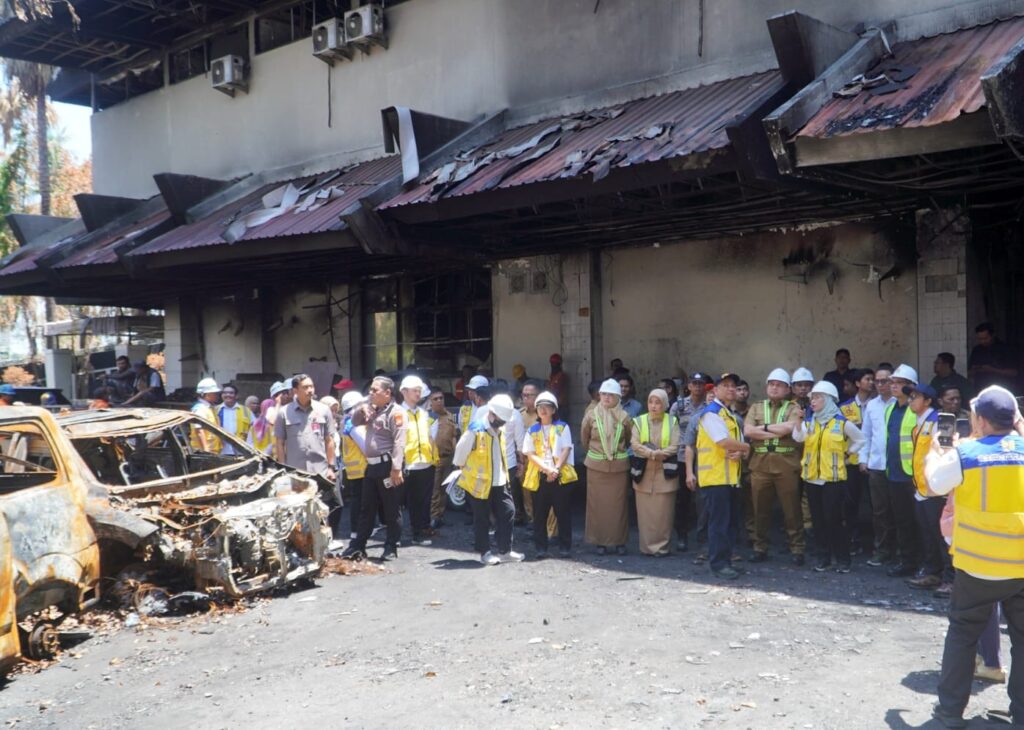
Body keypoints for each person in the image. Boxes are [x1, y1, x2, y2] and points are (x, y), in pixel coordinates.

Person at [925, 386, 1024, 729]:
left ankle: (950, 713)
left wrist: (937, 449)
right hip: (1022, 566)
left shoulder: (965, 454)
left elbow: (933, 484)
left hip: (977, 566)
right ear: (1015, 418)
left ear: (979, 420)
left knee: (963, 635)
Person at [792, 381, 865, 573]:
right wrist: (798, 421)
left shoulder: (841, 423)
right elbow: (798, 437)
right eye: (812, 398)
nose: (812, 401)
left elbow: (861, 439)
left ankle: (842, 559)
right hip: (812, 478)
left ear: (828, 400)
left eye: (816, 397)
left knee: (834, 519)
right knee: (817, 520)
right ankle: (823, 558)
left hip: (832, 480)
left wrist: (848, 454)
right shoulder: (810, 422)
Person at [452, 394, 523, 565]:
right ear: (492, 413)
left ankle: (505, 550)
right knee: (482, 518)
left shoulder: (500, 428)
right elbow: (459, 455)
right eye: (501, 419)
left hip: (499, 479)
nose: (503, 423)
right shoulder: (475, 430)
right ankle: (485, 552)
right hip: (479, 483)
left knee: (508, 511)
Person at [743, 368, 805, 565]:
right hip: (760, 465)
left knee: (791, 509)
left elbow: (791, 427)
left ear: (788, 389)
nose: (774, 387)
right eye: (771, 384)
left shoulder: (794, 407)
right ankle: (759, 547)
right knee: (759, 509)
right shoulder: (756, 407)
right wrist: (776, 432)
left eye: (779, 385)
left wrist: (764, 429)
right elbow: (748, 431)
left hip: (786, 464)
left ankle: (797, 548)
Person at [343, 376, 406, 561]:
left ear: (387, 393)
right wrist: (360, 408)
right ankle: (358, 546)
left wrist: (396, 468)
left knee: (391, 508)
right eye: (370, 390)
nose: (370, 393)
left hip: (387, 465)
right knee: (366, 507)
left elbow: (399, 442)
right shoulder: (372, 410)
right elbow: (354, 422)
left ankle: (391, 546)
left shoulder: (396, 413)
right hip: (371, 466)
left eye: (374, 390)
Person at [695, 373, 750, 579]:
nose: (730, 389)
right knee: (719, 523)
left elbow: (733, 444)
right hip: (715, 477)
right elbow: (722, 441)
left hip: (729, 478)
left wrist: (740, 451)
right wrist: (746, 447)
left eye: (733, 386)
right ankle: (718, 564)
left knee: (729, 523)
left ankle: (726, 561)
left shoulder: (729, 415)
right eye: (725, 386)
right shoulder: (712, 413)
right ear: (715, 391)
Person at [903, 384, 950, 591]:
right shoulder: (919, 423)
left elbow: (947, 452)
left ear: (928, 401)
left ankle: (950, 578)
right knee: (928, 533)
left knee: (941, 536)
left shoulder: (940, 421)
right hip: (922, 489)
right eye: (910, 397)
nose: (911, 400)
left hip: (936, 489)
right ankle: (933, 572)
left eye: (915, 397)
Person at [522, 391, 577, 558]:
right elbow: (530, 454)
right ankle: (541, 548)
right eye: (540, 407)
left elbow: (567, 448)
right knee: (540, 514)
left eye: (547, 407)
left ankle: (565, 547)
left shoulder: (562, 427)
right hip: (540, 476)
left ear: (554, 410)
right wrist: (547, 470)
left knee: (563, 513)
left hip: (559, 475)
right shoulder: (532, 430)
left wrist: (556, 469)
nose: (543, 410)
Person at [881, 363, 923, 578]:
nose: (894, 386)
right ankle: (907, 561)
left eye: (899, 383)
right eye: (893, 382)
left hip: (913, 475)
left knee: (919, 521)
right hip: (895, 473)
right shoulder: (890, 408)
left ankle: (923, 563)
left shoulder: (916, 409)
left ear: (911, 387)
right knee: (901, 520)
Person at [582, 379, 632, 555]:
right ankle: (600, 542)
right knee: (597, 506)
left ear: (618, 397)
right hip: (596, 467)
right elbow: (585, 439)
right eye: (604, 394)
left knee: (619, 506)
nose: (606, 398)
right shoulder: (591, 415)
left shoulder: (625, 417)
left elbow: (628, 437)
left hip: (618, 468)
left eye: (611, 395)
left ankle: (619, 542)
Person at [630, 389, 681, 557]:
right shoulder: (639, 421)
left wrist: (661, 454)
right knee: (645, 514)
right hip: (643, 472)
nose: (653, 406)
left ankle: (662, 548)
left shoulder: (672, 421)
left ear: (665, 405)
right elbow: (635, 444)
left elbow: (675, 445)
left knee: (664, 514)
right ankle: (646, 547)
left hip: (665, 472)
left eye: (658, 402)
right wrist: (652, 454)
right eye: (651, 402)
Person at [861, 364, 898, 568]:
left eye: (886, 381)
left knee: (900, 511)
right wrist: (862, 459)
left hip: (899, 466)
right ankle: (882, 550)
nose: (882, 384)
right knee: (880, 511)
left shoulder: (901, 404)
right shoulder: (871, 405)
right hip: (876, 465)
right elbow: (866, 435)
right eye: (878, 381)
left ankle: (902, 551)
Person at [274, 372, 338, 483]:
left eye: (311, 386)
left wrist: (331, 467)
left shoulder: (323, 410)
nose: (310, 390)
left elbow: (329, 441)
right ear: (295, 391)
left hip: (321, 471)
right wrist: (283, 469)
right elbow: (280, 443)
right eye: (305, 387)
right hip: (295, 473)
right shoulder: (283, 413)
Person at [398, 375, 436, 546]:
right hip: (409, 464)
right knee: (411, 501)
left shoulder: (423, 413)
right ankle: (414, 533)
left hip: (426, 462)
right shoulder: (398, 413)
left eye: (419, 391)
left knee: (424, 500)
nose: (418, 394)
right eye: (415, 390)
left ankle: (421, 529)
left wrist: (434, 458)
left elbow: (428, 436)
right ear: (404, 392)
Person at [839, 368, 874, 554]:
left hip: (874, 461)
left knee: (875, 504)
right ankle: (852, 539)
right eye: (868, 379)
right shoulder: (845, 407)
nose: (872, 382)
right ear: (858, 383)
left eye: (873, 379)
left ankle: (873, 543)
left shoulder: (879, 405)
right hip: (852, 461)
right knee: (850, 503)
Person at [339, 391, 368, 539]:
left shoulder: (345, 421)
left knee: (357, 501)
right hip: (362, 468)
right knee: (361, 503)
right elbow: (366, 446)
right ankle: (357, 532)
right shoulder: (353, 423)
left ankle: (357, 532)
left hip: (353, 469)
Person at [428, 387, 458, 529]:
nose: (439, 401)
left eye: (441, 398)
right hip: (433, 459)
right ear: (430, 402)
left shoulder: (450, 416)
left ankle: (440, 515)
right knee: (434, 489)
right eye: (435, 399)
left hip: (448, 458)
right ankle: (433, 517)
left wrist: (456, 457)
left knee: (444, 489)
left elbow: (453, 437)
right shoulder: (428, 418)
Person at [968, 322, 1018, 392]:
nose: (983, 341)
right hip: (981, 388)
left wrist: (993, 370)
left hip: (1001, 388)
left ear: (993, 335)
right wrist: (975, 369)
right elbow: (969, 372)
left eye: (985, 338)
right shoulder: (977, 350)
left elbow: (1014, 372)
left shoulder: (1005, 349)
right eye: (980, 339)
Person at [216, 384, 252, 456]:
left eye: (231, 393)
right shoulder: (215, 410)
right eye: (225, 393)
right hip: (220, 451)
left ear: (236, 396)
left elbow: (254, 429)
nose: (228, 395)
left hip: (241, 451)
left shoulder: (246, 410)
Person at [190, 378, 223, 453]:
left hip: (213, 451)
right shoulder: (199, 409)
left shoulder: (210, 408)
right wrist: (206, 450)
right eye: (214, 393)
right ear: (207, 394)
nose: (217, 395)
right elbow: (199, 430)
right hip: (202, 452)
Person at [547, 354, 569, 421]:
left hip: (560, 406)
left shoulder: (562, 376)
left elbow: (556, 390)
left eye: (555, 364)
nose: (553, 366)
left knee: (560, 427)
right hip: (554, 405)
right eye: (552, 364)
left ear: (559, 364)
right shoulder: (552, 376)